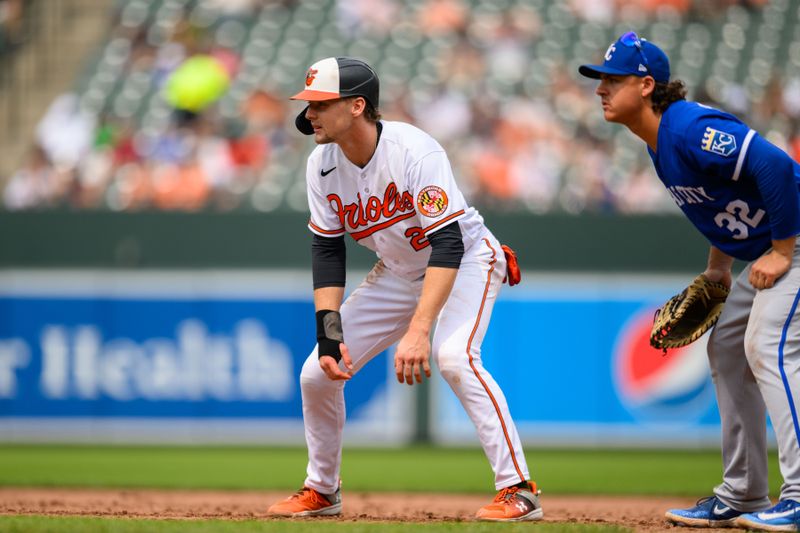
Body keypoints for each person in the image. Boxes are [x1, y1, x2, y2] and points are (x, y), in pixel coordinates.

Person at [266, 57, 541, 522]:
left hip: (465, 261)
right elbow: (328, 251)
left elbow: (448, 242)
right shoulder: (322, 164)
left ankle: (519, 489)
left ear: (357, 106)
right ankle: (322, 490)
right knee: (317, 371)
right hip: (398, 272)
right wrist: (328, 331)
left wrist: (420, 329)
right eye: (308, 104)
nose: (309, 113)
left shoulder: (414, 150)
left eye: (319, 103)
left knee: (454, 358)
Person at [580, 32, 800, 531]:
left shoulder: (688, 127)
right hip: (769, 249)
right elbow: (720, 206)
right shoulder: (659, 144)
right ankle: (743, 493)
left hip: (794, 241)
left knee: (767, 343)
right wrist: (719, 269)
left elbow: (777, 166)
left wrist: (784, 250)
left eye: (612, 80)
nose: (601, 89)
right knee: (726, 346)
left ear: (645, 85)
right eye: (600, 80)